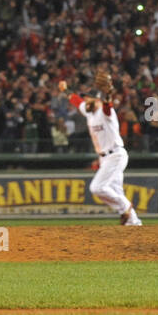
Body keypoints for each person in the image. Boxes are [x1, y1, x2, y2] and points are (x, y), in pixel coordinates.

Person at [58, 74, 141, 226]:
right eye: (85, 98)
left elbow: (108, 105)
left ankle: (125, 207)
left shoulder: (105, 111)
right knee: (117, 191)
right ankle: (134, 223)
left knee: (97, 187)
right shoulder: (89, 111)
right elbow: (76, 100)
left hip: (115, 154)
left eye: (88, 98)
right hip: (105, 158)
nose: (85, 100)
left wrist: (109, 92)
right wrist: (65, 89)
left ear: (97, 100)